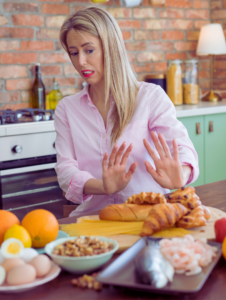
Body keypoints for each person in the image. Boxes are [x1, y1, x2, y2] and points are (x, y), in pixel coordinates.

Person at [55, 6, 199, 217]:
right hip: (94, 219)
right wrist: (104, 186)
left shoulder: (150, 97)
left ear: (110, 47)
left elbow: (183, 149)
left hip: (150, 216)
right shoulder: (67, 109)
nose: (81, 62)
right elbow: (65, 170)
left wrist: (181, 174)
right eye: (74, 53)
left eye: (89, 50)